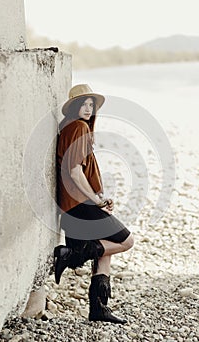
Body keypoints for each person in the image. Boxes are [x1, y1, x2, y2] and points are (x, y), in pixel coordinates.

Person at [54, 84, 134, 324]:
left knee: (105, 252)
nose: (88, 108)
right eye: (84, 104)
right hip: (79, 206)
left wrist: (99, 197)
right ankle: (74, 255)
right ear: (74, 107)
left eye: (91, 105)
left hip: (73, 208)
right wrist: (96, 200)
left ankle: (99, 309)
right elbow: (75, 171)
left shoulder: (70, 128)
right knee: (126, 241)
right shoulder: (78, 127)